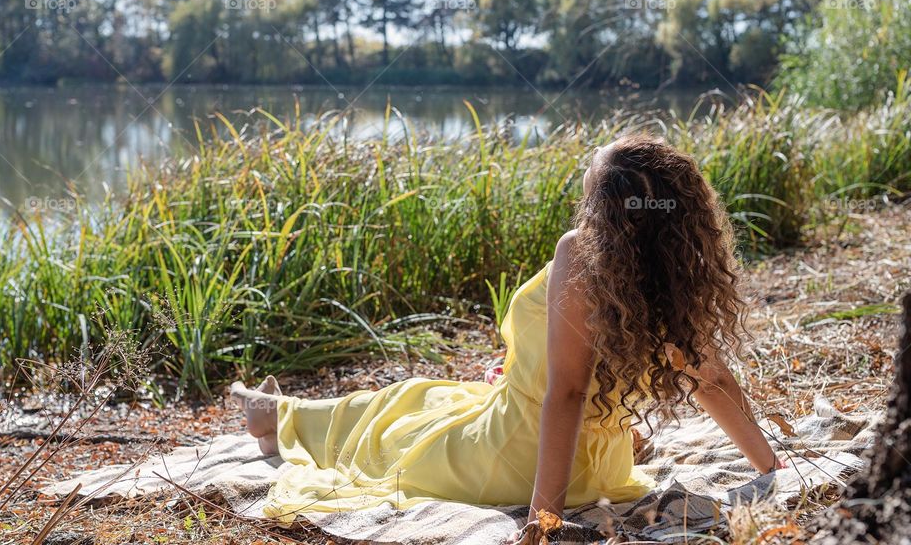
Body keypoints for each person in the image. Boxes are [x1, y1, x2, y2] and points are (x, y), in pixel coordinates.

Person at [231, 134, 784, 542]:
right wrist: (771, 468)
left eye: (590, 192)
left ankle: (270, 412)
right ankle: (276, 406)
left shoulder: (583, 252)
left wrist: (544, 520)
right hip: (603, 470)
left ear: (606, 209)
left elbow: (566, 393)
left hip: (518, 459)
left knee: (393, 414)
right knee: (428, 395)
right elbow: (710, 380)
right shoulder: (672, 278)